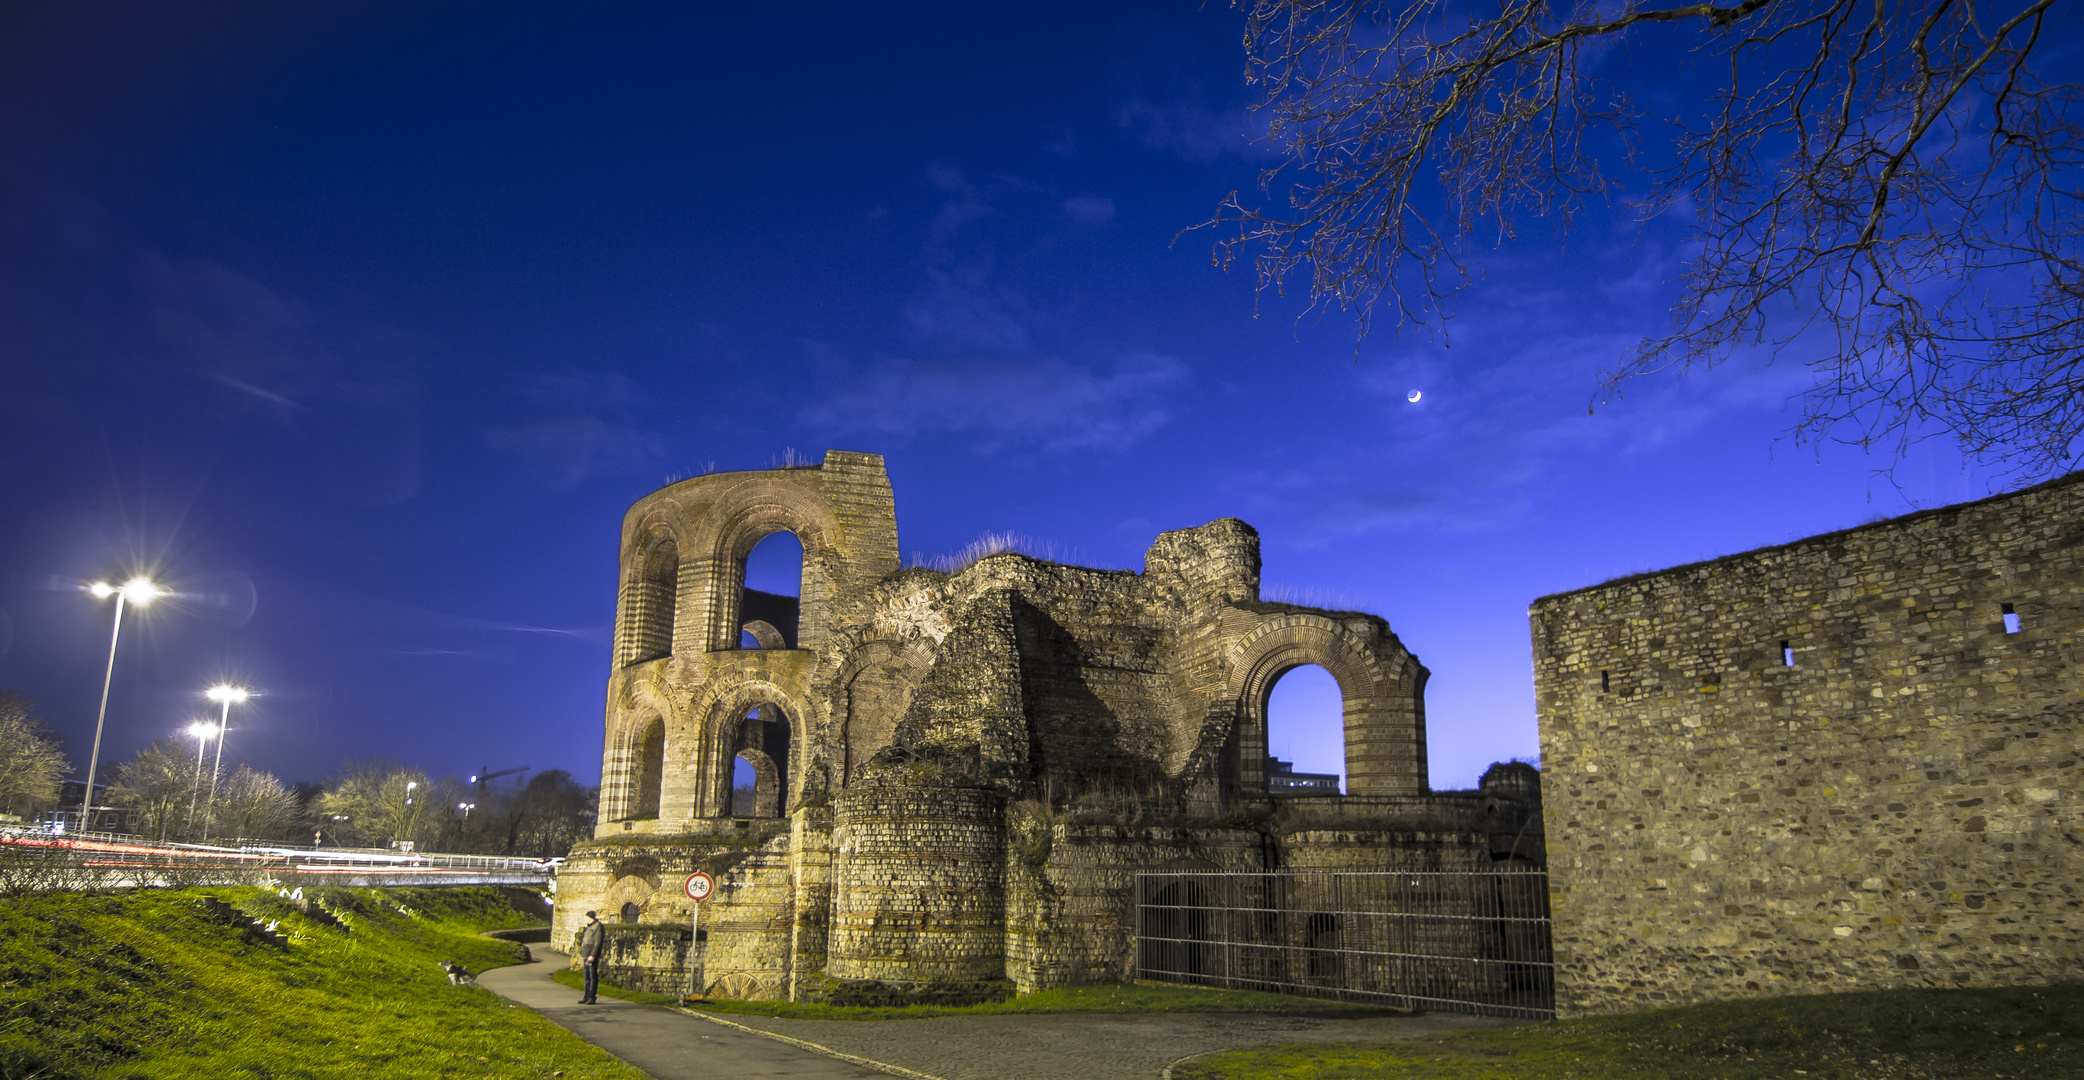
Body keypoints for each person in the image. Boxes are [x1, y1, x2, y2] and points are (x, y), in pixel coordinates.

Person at [577, 909, 605, 1004]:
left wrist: (593, 955)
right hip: (586, 954)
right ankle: (586, 996)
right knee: (587, 976)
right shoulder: (589, 926)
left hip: (591, 955)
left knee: (592, 975)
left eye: (587, 917)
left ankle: (592, 997)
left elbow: (597, 942)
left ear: (590, 918)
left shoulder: (597, 926)